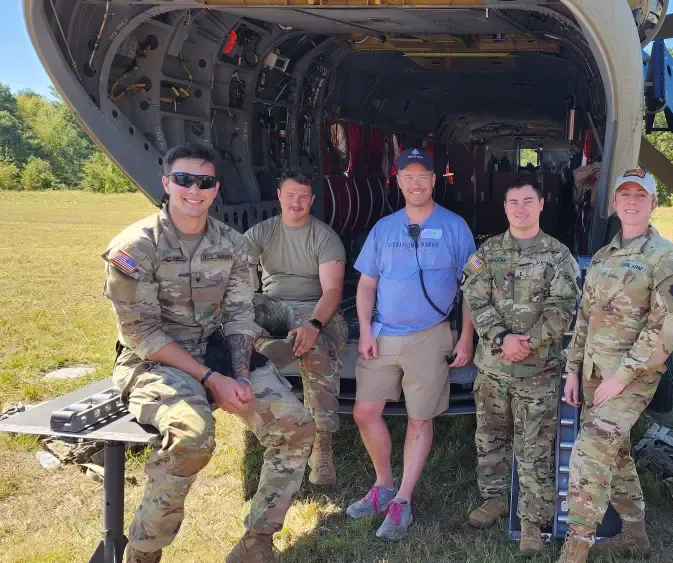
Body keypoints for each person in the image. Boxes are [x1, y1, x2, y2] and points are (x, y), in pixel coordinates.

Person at [103, 143, 314, 563]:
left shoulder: (233, 244)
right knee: (192, 436)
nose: (193, 189)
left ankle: (256, 544)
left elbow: (238, 316)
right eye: (183, 179)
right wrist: (208, 378)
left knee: (296, 427)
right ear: (166, 184)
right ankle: (143, 553)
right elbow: (141, 332)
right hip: (154, 361)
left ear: (215, 189)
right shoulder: (135, 247)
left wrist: (237, 375)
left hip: (218, 351)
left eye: (204, 181)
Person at [558, 168, 673, 563]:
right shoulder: (604, 256)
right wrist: (571, 369)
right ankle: (635, 536)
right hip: (593, 372)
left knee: (590, 452)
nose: (632, 201)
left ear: (654, 203)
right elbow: (585, 317)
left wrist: (622, 377)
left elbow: (667, 326)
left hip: (631, 378)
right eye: (625, 195)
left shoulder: (666, 257)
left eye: (641, 195)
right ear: (614, 203)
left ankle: (576, 548)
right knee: (615, 456)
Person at [348, 148, 476, 540]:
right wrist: (366, 330)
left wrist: (466, 337)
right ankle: (383, 483)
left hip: (431, 334)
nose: (416, 182)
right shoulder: (384, 229)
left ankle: (403, 498)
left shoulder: (455, 227)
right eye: (408, 176)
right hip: (385, 333)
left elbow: (471, 286)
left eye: (423, 175)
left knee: (419, 418)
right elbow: (367, 283)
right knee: (364, 412)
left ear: (435, 180)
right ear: (398, 181)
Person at [461, 177, 581, 555]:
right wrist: (501, 339)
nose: (521, 208)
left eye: (528, 201)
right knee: (491, 438)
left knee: (534, 447)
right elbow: (474, 300)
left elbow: (563, 309)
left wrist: (526, 344)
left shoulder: (559, 255)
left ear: (541, 204)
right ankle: (495, 499)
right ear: (505, 207)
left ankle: (532, 521)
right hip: (494, 369)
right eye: (513, 201)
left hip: (538, 370)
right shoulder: (488, 252)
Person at [245, 170, 348, 486]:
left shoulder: (324, 236)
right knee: (241, 313)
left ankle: (322, 448)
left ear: (312, 200)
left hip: (317, 309)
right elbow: (237, 272)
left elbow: (332, 291)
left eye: (303, 196)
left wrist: (314, 325)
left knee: (315, 349)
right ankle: (267, 345)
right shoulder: (262, 232)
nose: (296, 202)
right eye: (290, 195)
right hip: (275, 305)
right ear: (279, 196)